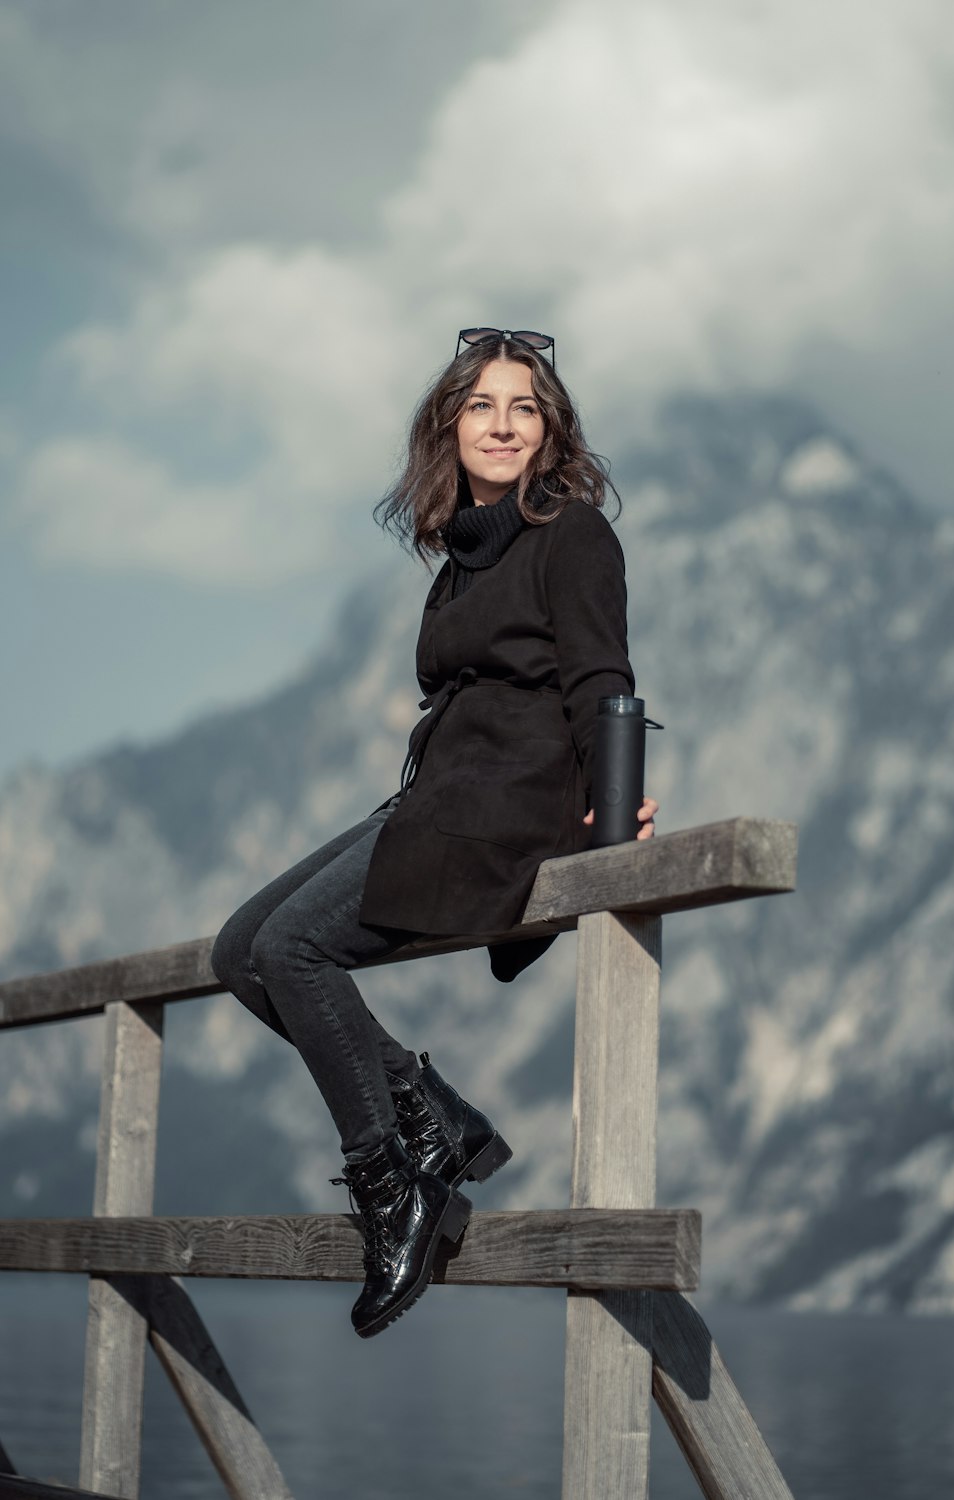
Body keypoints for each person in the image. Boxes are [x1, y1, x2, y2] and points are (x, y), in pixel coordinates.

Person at [211, 327, 657, 1339]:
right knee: (238, 950)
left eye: (524, 408)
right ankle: (429, 1112)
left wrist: (610, 802)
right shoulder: (459, 554)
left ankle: (395, 1183)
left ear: (550, 430)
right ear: (449, 426)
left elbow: (599, 677)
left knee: (294, 946)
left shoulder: (573, 532)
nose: (502, 426)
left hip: (507, 804)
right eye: (481, 407)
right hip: (440, 793)